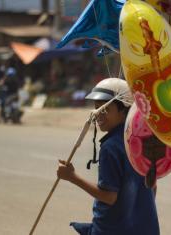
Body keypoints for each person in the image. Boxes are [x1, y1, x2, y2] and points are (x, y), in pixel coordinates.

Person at [57, 78, 160, 235]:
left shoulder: (111, 147)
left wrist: (72, 177)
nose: (98, 114)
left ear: (123, 109)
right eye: (96, 108)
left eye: (104, 109)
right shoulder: (142, 139)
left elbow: (109, 196)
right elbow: (153, 187)